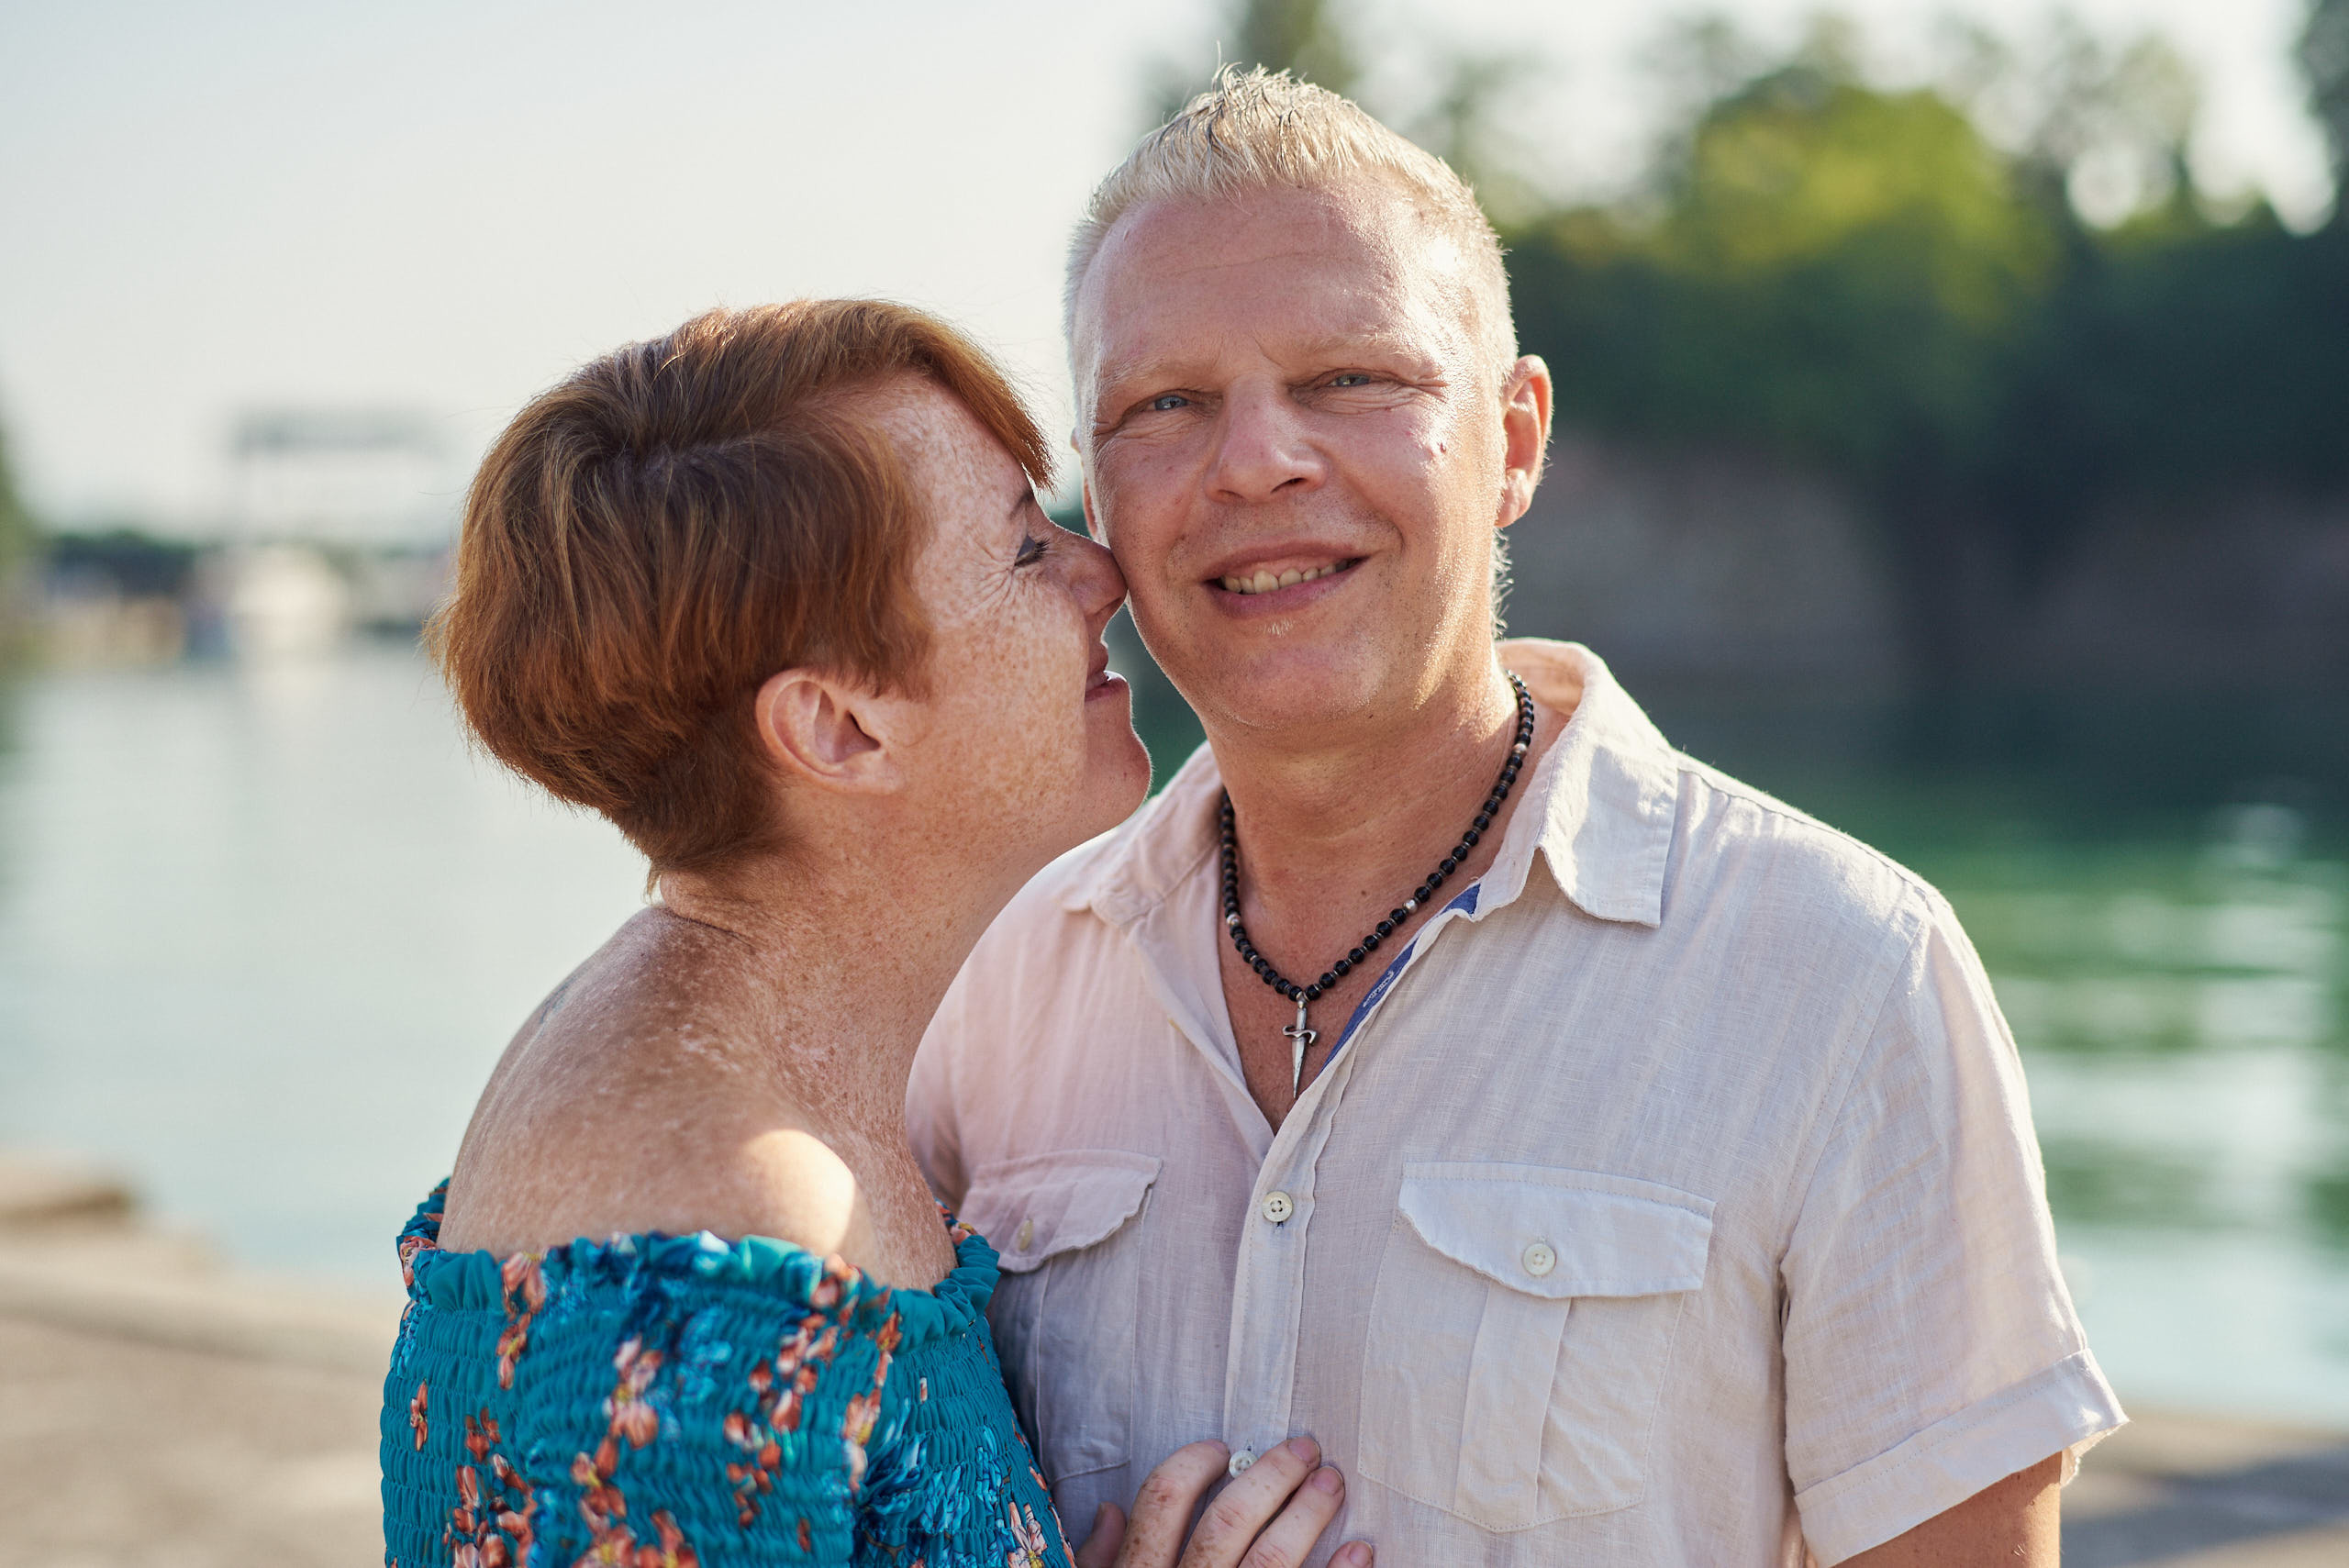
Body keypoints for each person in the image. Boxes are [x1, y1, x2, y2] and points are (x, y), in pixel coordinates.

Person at [907, 70, 2125, 1567]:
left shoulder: (1849, 978)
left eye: (1352, 378)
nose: (1256, 459)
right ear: (1101, 494)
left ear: (1516, 439)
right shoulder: (984, 988)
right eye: (1165, 406)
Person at [382, 299, 1372, 1568]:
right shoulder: (722, 1220)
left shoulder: (735, 1055)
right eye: (1024, 550)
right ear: (840, 728)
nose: (1101, 571)